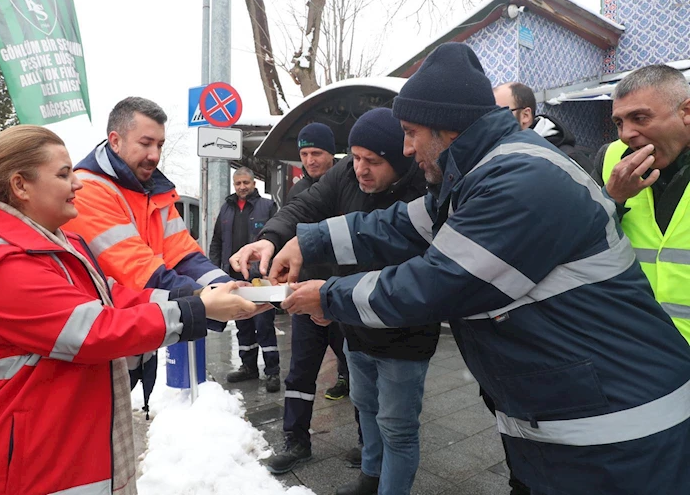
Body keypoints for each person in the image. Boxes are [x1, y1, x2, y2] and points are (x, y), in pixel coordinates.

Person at [271, 42, 690, 495]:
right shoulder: (479, 173)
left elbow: (436, 284)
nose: (407, 148)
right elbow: (402, 223)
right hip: (572, 417)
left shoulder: (518, 180)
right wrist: (305, 241)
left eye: (412, 132)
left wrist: (328, 295)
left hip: (616, 433)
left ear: (447, 129)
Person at [0, 126, 258, 495]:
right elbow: (96, 332)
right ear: (20, 186)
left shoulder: (62, 242)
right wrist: (197, 309)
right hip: (25, 466)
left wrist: (202, 303)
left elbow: (114, 297)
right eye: (63, 174)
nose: (77, 183)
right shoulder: (6, 264)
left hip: (61, 449)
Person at [233, 108, 438, 495]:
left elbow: (395, 268)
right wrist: (272, 237)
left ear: (399, 158)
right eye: (355, 157)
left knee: (397, 426)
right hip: (354, 326)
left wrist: (326, 296)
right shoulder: (346, 174)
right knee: (365, 404)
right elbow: (304, 207)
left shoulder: (423, 193)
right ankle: (370, 477)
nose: (360, 169)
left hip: (403, 334)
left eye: (372, 162)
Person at [63, 97, 235, 412]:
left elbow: (184, 255)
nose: (154, 155)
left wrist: (229, 287)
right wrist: (208, 301)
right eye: (145, 143)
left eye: (160, 144)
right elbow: (140, 273)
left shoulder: (152, 190)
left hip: (128, 341)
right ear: (115, 140)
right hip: (99, 347)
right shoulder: (90, 190)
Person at [593, 64, 690, 344]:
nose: (626, 134)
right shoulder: (609, 159)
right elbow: (579, 241)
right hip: (638, 349)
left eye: (640, 118)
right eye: (619, 122)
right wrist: (612, 197)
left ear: (685, 112)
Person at [287, 123, 351, 402]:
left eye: (317, 153)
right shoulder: (297, 192)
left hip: (344, 288)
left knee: (353, 361)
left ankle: (366, 441)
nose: (310, 160)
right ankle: (296, 439)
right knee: (300, 369)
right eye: (304, 154)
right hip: (306, 292)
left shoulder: (351, 186)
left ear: (332, 153)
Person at [209, 166, 281, 392]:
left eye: (245, 183)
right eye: (238, 183)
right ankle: (248, 367)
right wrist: (216, 272)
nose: (242, 187)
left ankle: (272, 372)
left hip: (261, 278)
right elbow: (217, 243)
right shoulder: (226, 209)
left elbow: (278, 239)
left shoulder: (267, 207)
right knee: (242, 323)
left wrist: (273, 270)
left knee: (264, 324)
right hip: (234, 277)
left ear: (253, 184)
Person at [494, 81, 594, 173]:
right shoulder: (498, 155)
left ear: (525, 116)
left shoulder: (567, 159)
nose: (492, 120)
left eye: (500, 113)